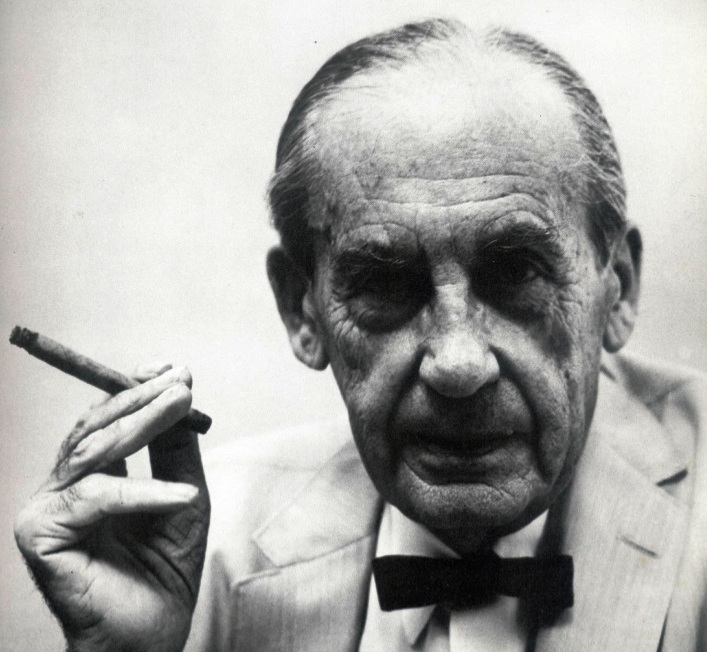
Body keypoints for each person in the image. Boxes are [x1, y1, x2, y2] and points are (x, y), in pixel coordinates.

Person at [14, 18, 707, 652]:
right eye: (384, 284)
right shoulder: (200, 550)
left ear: (617, 286)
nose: (457, 364)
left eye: (516, 273)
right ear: (303, 310)